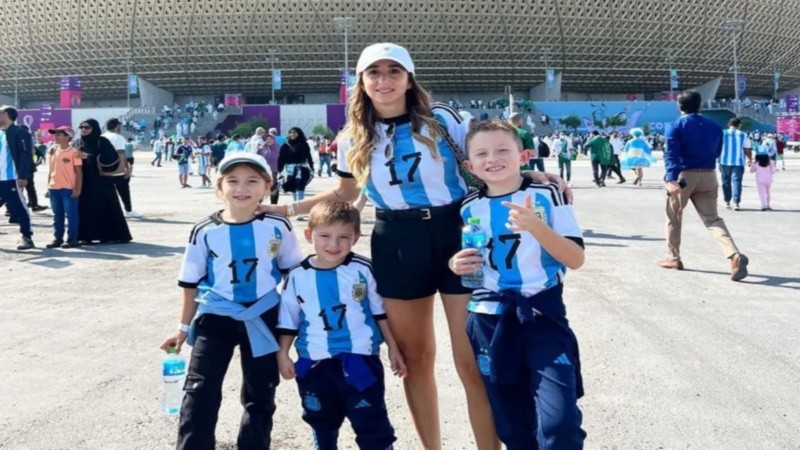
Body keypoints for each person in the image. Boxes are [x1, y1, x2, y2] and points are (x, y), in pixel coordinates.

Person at [260, 43, 567, 450]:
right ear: (361, 81)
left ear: (409, 77)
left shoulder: (440, 119)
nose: (384, 80)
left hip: (457, 233)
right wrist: (286, 207)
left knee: (474, 360)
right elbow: (345, 192)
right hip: (397, 241)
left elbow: (483, 158)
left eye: (393, 71)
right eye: (374, 72)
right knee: (417, 361)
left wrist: (531, 176)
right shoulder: (352, 135)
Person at [449, 120, 586, 449]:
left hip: (541, 314)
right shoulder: (469, 207)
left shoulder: (547, 193)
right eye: (481, 153)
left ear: (524, 155)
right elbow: (472, 262)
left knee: (559, 422)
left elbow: (576, 258)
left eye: (502, 150)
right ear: (469, 166)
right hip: (488, 319)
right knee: (511, 423)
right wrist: (455, 264)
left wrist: (536, 228)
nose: (492, 158)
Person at [160, 152, 303, 450]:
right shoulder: (205, 230)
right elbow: (190, 283)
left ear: (267, 186)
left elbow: (293, 278)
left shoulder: (279, 226)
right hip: (216, 316)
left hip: (263, 316)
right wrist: (183, 328)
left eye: (252, 181)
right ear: (219, 186)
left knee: (261, 394)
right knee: (200, 391)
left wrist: (293, 328)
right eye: (233, 181)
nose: (242, 188)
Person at [276, 200, 407, 450]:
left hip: (360, 358)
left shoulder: (363, 269)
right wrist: (283, 354)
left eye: (343, 237)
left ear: (355, 238)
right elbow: (289, 320)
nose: (333, 244)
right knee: (322, 421)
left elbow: (380, 313)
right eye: (324, 235)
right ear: (309, 235)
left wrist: (393, 347)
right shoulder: (296, 276)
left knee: (372, 423)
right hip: (314, 361)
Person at [661, 90, 748, 281]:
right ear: (699, 105)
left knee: (674, 217)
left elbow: (671, 155)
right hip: (709, 175)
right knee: (712, 219)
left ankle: (674, 258)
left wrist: (670, 179)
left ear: (679, 106)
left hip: (685, 176)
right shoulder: (715, 126)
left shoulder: (675, 126)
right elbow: (717, 151)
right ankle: (734, 255)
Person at [73, 119, 132, 244]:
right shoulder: (77, 143)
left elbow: (112, 157)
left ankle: (110, 235)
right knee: (86, 209)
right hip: (85, 181)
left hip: (102, 180)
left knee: (106, 207)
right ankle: (86, 236)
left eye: (87, 127)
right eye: (81, 127)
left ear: (94, 128)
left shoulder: (102, 141)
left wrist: (88, 157)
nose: (83, 129)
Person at [0, 105, 35, 250]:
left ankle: (27, 237)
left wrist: (22, 176)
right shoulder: (1, 133)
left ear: (6, 115)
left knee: (20, 208)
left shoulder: (19, 132)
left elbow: (25, 155)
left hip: (11, 179)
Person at [44, 126, 82, 248]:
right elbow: (51, 170)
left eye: (59, 134)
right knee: (57, 215)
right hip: (54, 188)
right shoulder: (53, 151)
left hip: (68, 188)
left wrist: (77, 188)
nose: (55, 137)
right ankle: (58, 238)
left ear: (68, 136)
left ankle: (72, 239)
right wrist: (48, 186)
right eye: (55, 134)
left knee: (71, 215)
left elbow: (79, 172)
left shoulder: (74, 152)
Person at [103, 118, 142, 218]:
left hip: (104, 169)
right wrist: (126, 168)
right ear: (117, 126)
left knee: (106, 193)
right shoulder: (118, 137)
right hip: (116, 170)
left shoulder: (102, 136)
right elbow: (121, 154)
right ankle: (128, 210)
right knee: (124, 191)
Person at [718, 118, 752, 210]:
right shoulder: (743, 135)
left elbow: (716, 146)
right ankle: (736, 203)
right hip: (738, 162)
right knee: (737, 182)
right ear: (739, 125)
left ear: (728, 124)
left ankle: (727, 201)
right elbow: (747, 149)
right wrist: (750, 159)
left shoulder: (722, 133)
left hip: (724, 161)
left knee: (726, 182)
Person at [277, 127, 314, 202]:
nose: (292, 134)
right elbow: (281, 158)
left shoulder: (304, 144)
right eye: (291, 132)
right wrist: (279, 170)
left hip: (303, 169)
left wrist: (312, 167)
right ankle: (296, 205)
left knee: (300, 186)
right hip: (290, 170)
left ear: (299, 134)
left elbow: (309, 156)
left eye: (295, 133)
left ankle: (300, 204)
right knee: (293, 187)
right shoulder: (285, 146)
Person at [257, 133, 282, 204]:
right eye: (267, 139)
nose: (269, 140)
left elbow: (283, 159)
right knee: (261, 188)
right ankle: (258, 205)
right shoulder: (262, 148)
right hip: (263, 171)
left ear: (274, 139)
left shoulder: (279, 147)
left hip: (275, 171)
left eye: (271, 139)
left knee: (274, 188)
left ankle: (273, 206)